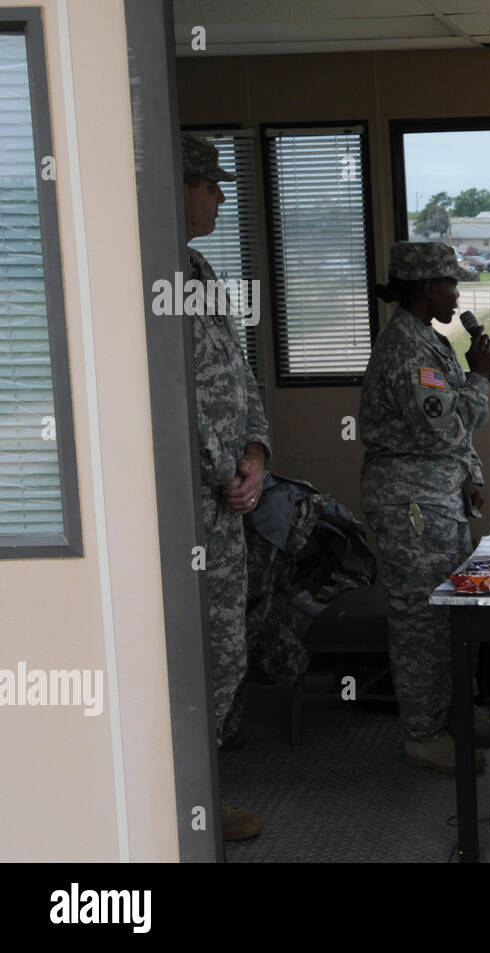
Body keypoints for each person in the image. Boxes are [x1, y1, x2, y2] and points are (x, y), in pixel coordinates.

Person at [359, 241, 490, 774]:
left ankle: (457, 717)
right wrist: (478, 375)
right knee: (421, 619)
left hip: (439, 498)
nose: (457, 293)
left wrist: (471, 475)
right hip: (411, 503)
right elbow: (444, 428)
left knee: (455, 609)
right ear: (428, 286)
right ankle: (423, 735)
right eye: (451, 283)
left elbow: (451, 432)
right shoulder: (404, 348)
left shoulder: (431, 341)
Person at [182, 132, 270, 842]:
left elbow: (240, 376)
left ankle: (202, 800)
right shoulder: (140, 273)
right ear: (179, 185)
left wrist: (256, 454)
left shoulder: (202, 269)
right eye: (211, 183)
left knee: (226, 651)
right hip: (184, 509)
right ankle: (182, 810)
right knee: (186, 656)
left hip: (225, 502)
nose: (220, 194)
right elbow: (165, 395)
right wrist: (224, 474)